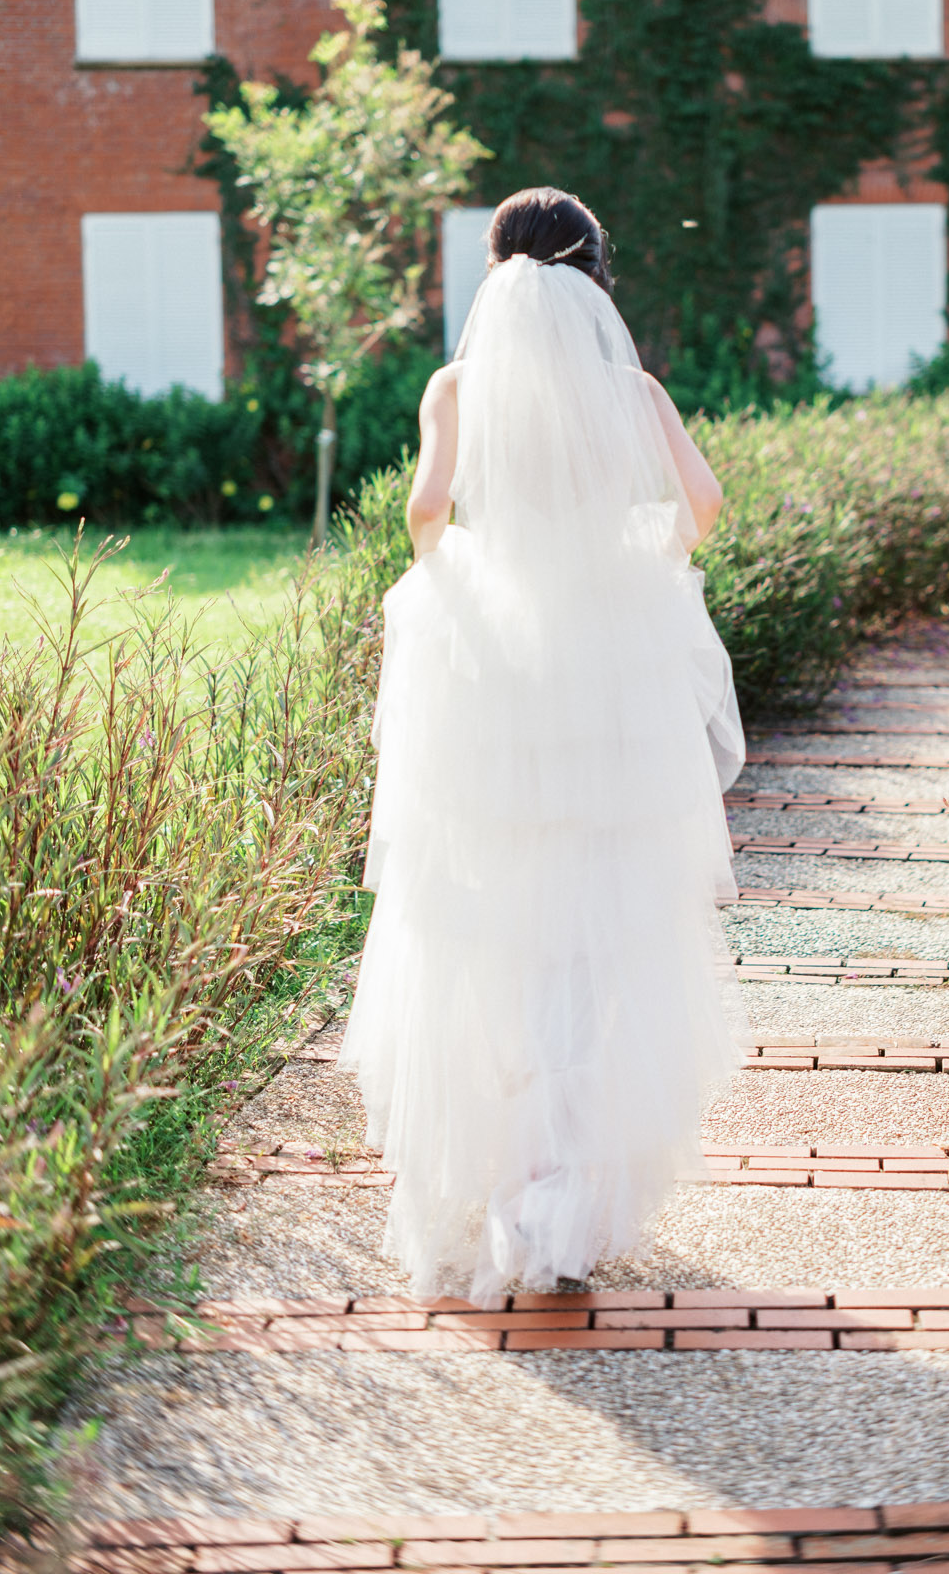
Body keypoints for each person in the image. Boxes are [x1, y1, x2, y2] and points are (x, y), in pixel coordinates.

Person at [340, 187, 748, 1303]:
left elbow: (427, 513)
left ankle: (508, 1174)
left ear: (497, 271)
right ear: (597, 273)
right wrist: (631, 559)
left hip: (498, 686)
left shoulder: (458, 385)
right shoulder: (631, 389)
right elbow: (702, 502)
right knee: (595, 932)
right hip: (606, 688)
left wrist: (468, 577)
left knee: (489, 923)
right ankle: (562, 1193)